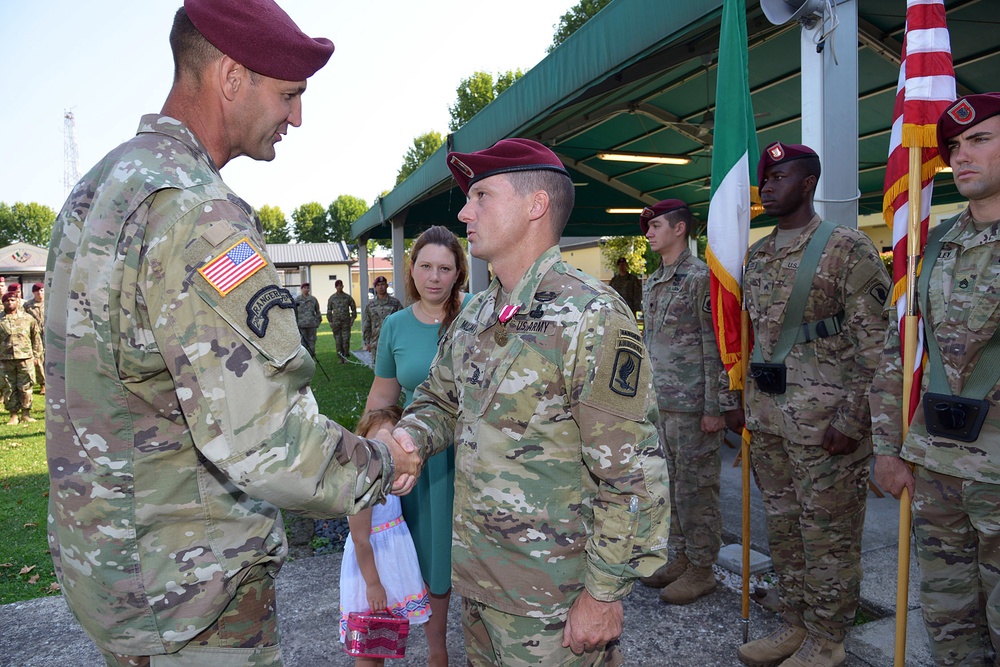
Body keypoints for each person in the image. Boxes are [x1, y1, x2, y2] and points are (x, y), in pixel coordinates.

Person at [44, 2, 420, 665]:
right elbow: (269, 441)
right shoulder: (197, 213)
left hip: (114, 575)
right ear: (230, 75)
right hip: (194, 596)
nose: (297, 116)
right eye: (289, 93)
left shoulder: (97, 191)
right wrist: (385, 462)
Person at [392, 138, 670, 666]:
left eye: (481, 196)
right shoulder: (477, 314)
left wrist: (604, 594)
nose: (463, 211)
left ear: (535, 205)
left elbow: (631, 474)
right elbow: (439, 400)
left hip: (554, 604)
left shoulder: (590, 315)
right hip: (478, 584)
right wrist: (410, 437)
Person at [733, 142, 890, 667]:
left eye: (781, 176)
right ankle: (795, 625)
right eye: (766, 177)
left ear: (809, 183)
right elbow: (757, 337)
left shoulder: (848, 248)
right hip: (771, 419)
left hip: (827, 425)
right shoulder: (758, 254)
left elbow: (878, 347)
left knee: (829, 538)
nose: (769, 185)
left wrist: (854, 420)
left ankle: (829, 638)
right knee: (784, 530)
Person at [871, 93, 1000, 666]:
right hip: (938, 468)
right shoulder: (938, 244)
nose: (961, 155)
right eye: (954, 146)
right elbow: (900, 354)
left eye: (980, 139)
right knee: (949, 625)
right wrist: (888, 448)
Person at [365, 225, 470, 667]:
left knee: (458, 557)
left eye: (444, 268)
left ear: (458, 273)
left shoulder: (475, 319)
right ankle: (435, 651)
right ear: (411, 269)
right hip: (416, 459)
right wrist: (369, 444)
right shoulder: (394, 325)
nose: (434, 276)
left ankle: (445, 648)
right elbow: (383, 398)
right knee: (421, 552)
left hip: (468, 456)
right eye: (425, 266)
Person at [636, 199, 740, 605]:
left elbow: (716, 344)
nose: (649, 232)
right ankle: (679, 556)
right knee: (670, 487)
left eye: (656, 225)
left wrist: (717, 407)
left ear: (679, 229)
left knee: (698, 490)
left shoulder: (700, 278)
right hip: (663, 401)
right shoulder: (656, 279)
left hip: (695, 404)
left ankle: (702, 567)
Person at [340, 405, 431, 667]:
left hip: (390, 566)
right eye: (379, 437)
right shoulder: (363, 479)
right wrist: (373, 584)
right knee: (368, 643)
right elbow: (360, 539)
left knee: (382, 639)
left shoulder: (390, 478)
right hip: (371, 571)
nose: (386, 444)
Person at [0, 290, 42, 425]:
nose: (10, 302)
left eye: (13, 300)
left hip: (26, 358)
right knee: (8, 387)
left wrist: (36, 356)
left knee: (26, 386)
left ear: (17, 302)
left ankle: (26, 413)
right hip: (5, 359)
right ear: (3, 303)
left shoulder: (28, 319)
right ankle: (13, 415)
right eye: (7, 300)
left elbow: (36, 339)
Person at [363, 275, 402, 366]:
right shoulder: (371, 305)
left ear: (387, 286)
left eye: (383, 284)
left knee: (393, 366)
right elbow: (367, 323)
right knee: (377, 367)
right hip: (376, 341)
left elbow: (401, 322)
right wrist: (367, 342)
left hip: (392, 341)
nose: (381, 287)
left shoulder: (395, 303)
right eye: (378, 285)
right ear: (375, 287)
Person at [327, 279, 357, 363]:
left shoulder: (347, 297)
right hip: (336, 323)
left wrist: (352, 319)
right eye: (338, 286)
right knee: (338, 341)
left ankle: (346, 356)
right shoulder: (332, 298)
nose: (339, 287)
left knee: (346, 340)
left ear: (343, 286)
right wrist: (330, 321)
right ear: (335, 287)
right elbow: (329, 310)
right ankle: (340, 357)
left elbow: (353, 308)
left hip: (346, 323)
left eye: (341, 285)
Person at [23, 283, 45, 396]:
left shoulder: (50, 303)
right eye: (37, 291)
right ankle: (43, 384)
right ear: (33, 292)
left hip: (49, 334)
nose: (40, 293)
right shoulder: (28, 305)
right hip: (36, 335)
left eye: (41, 290)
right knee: (39, 360)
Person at [294, 281, 322, 356]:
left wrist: (317, 322)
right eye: (304, 288)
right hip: (301, 325)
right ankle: (305, 360)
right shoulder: (297, 300)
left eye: (307, 288)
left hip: (311, 325)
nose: (306, 289)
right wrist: (295, 324)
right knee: (303, 344)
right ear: (301, 289)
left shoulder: (313, 299)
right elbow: (294, 313)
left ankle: (312, 358)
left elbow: (318, 312)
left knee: (312, 343)